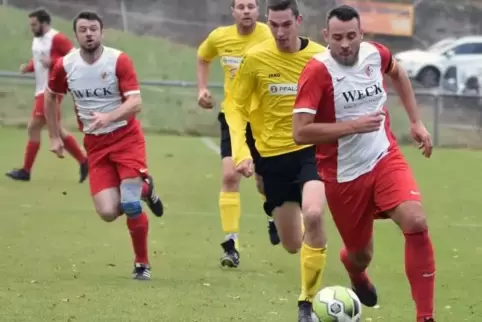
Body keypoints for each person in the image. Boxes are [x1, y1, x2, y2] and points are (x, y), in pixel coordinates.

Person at [292, 5, 436, 322]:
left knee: (416, 221)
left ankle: (425, 316)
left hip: (384, 157)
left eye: (351, 36)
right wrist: (352, 126)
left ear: (362, 34)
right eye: (338, 37)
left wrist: (416, 122)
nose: (345, 44)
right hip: (343, 175)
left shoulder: (376, 54)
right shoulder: (317, 72)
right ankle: (356, 274)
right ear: (326, 36)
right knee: (360, 255)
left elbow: (397, 72)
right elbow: (300, 132)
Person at [226, 0, 327, 320]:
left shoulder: (321, 57)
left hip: (311, 150)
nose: (280, 32)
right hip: (271, 157)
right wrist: (242, 153)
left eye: (286, 24)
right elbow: (235, 107)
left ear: (299, 20)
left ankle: (306, 303)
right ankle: (277, 211)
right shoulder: (255, 59)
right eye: (274, 25)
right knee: (293, 245)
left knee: (313, 214)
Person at [44, 10, 164, 280]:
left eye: (93, 29)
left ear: (101, 32)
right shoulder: (65, 65)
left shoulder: (118, 60)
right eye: (83, 29)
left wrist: (108, 117)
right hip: (96, 146)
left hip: (126, 139)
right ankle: (147, 187)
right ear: (76, 34)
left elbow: (135, 103)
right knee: (108, 212)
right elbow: (50, 98)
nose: (89, 34)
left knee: (130, 203)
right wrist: (54, 136)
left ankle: (141, 264)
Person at [196, 0, 280, 268]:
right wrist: (202, 89)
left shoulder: (269, 35)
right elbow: (202, 57)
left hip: (264, 118)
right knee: (230, 175)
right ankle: (231, 244)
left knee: (262, 181)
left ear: (259, 11)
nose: (246, 11)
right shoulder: (220, 37)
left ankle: (271, 214)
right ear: (232, 11)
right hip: (233, 116)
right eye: (241, 6)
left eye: (251, 6)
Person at [6, 8, 88, 183]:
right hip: (41, 89)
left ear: (44, 23)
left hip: (51, 90)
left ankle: (26, 171)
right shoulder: (38, 41)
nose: (31, 28)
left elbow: (75, 58)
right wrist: (28, 67)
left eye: (34, 24)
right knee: (56, 129)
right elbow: (38, 61)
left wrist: (53, 63)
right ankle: (84, 161)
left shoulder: (56, 38)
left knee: (34, 127)